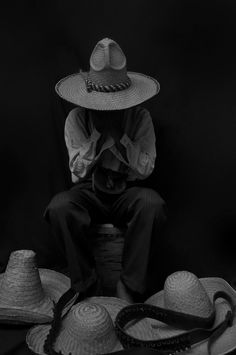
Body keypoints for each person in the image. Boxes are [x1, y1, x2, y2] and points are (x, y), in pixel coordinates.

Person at [44, 38, 167, 303]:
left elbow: (146, 170)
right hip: (90, 191)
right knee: (60, 208)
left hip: (127, 190)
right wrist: (98, 137)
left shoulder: (140, 118)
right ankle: (87, 287)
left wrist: (122, 138)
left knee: (152, 204)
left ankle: (129, 286)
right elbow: (76, 172)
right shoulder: (76, 119)